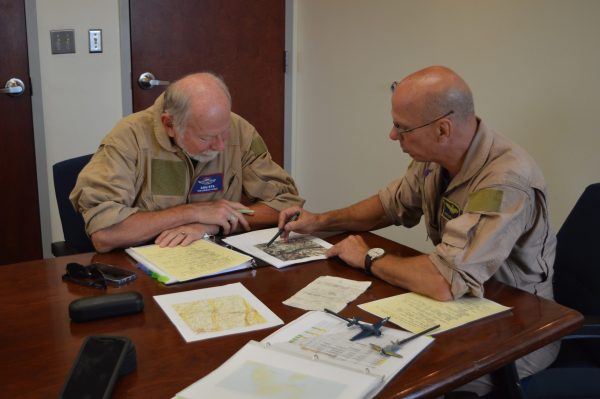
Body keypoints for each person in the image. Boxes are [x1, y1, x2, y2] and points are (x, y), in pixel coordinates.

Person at [277, 66, 557, 396]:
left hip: (516, 328)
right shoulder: (435, 158)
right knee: (342, 354)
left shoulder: (505, 180)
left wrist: (368, 258)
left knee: (387, 382)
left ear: (442, 129)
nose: (393, 136)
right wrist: (320, 221)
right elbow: (388, 204)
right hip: (457, 310)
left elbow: (443, 281)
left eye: (402, 128)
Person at [71, 72, 304, 253]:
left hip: (217, 262)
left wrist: (210, 225)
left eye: (224, 133)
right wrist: (193, 212)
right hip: (146, 267)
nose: (221, 146)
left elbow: (286, 204)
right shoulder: (128, 138)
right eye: (206, 138)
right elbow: (104, 233)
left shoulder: (240, 130)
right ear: (170, 125)